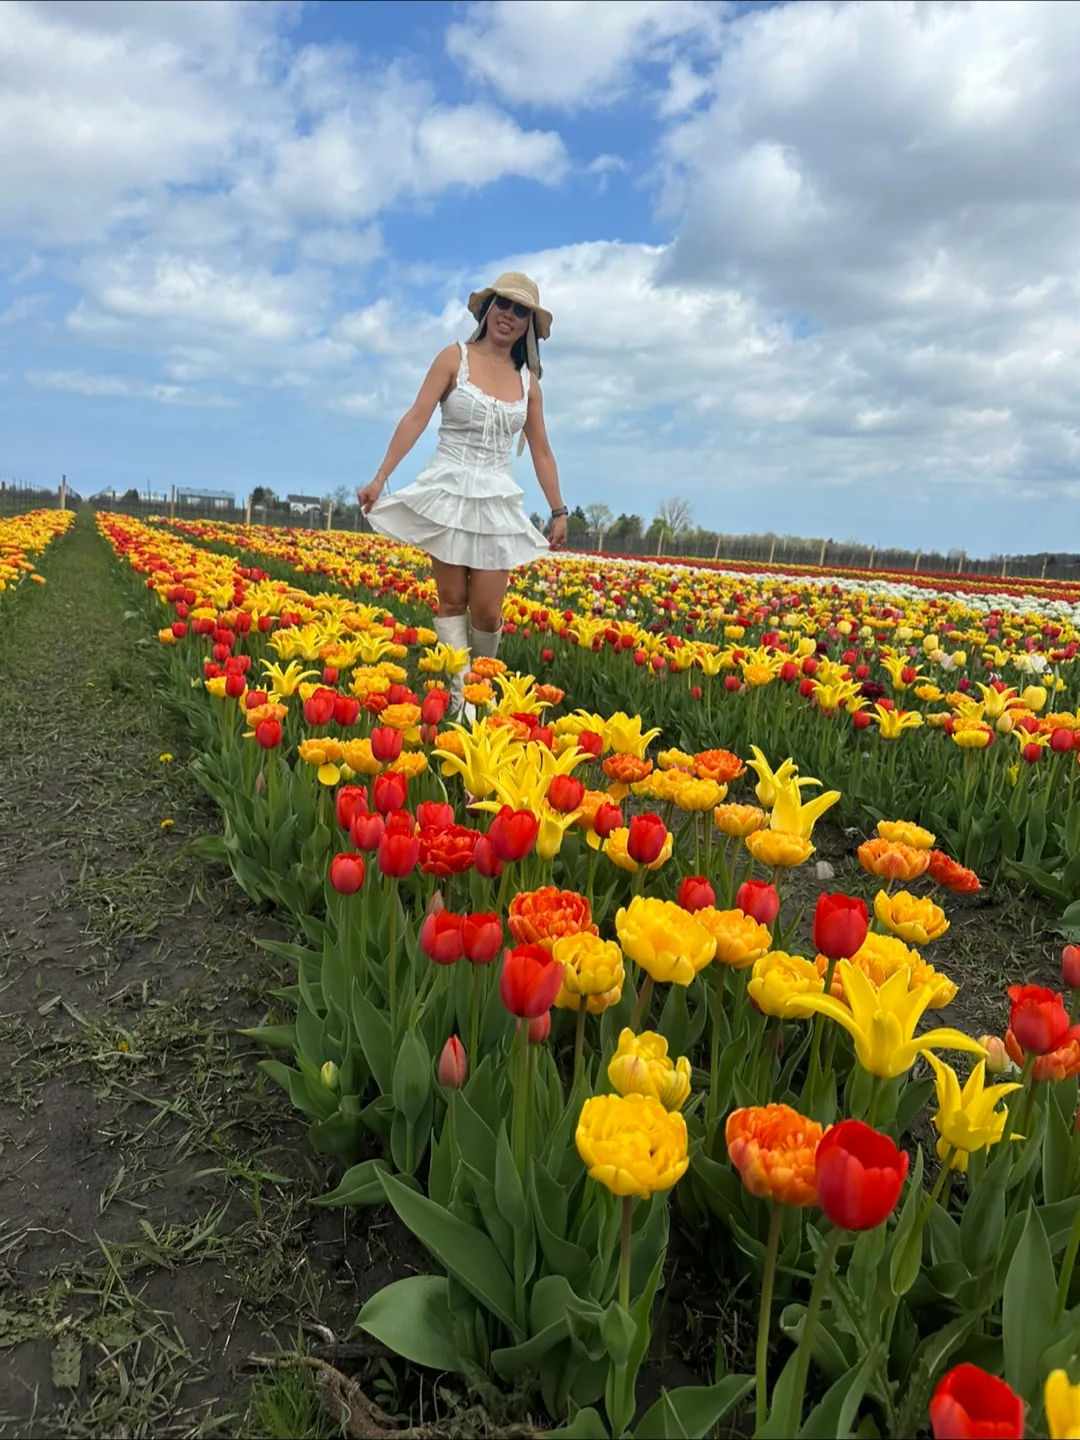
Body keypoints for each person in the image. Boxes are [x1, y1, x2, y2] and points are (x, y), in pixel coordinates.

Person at [357, 272, 567, 713]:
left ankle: (480, 692)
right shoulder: (454, 357)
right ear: (487, 309)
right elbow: (416, 417)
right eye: (502, 305)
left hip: (495, 499)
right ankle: (459, 700)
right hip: (449, 489)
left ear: (529, 324)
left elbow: (542, 451)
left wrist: (558, 510)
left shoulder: (529, 385)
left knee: (488, 611)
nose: (508, 316)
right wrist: (381, 477)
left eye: (519, 311)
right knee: (452, 600)